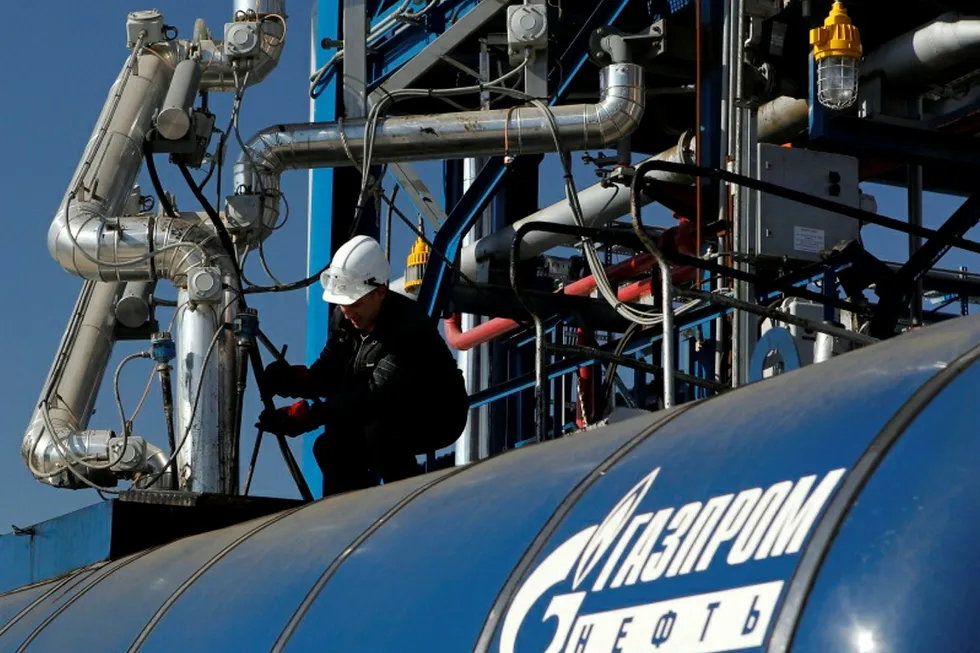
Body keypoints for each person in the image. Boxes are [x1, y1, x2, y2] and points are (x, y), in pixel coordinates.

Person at [256, 235, 470, 497]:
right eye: (342, 303)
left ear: (380, 292)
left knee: (377, 432)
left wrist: (307, 416)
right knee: (329, 447)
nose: (347, 311)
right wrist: (292, 380)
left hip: (436, 414)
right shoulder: (345, 319)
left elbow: (373, 395)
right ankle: (351, 513)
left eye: (354, 303)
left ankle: (405, 499)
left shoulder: (407, 330)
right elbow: (330, 371)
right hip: (382, 404)